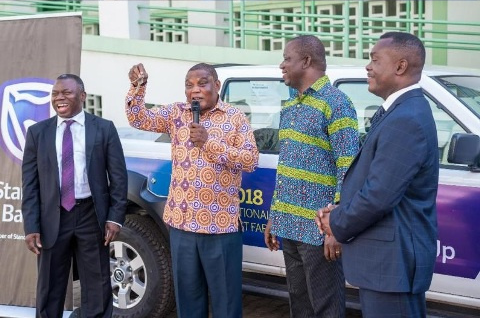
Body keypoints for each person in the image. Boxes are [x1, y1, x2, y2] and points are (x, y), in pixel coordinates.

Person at [316, 32, 439, 318]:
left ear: (400, 67)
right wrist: (341, 209)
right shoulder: (399, 111)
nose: (368, 67)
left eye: (374, 59)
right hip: (386, 265)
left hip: (392, 265)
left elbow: (380, 195)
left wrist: (336, 221)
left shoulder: (406, 118)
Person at [125, 62, 259, 318]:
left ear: (217, 85)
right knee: (188, 301)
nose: (195, 90)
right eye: (189, 85)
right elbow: (138, 118)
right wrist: (137, 86)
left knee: (226, 303)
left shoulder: (235, 118)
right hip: (182, 226)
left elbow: (250, 160)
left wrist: (209, 143)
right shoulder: (177, 114)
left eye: (202, 83)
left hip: (220, 228)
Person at [264, 36, 359, 318]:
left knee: (326, 308)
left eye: (287, 58)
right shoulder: (291, 105)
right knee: (300, 306)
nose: (282, 65)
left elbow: (349, 168)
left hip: (319, 232)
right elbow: (288, 166)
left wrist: (336, 227)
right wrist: (275, 215)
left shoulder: (337, 103)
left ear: (306, 61)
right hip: (289, 225)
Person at [22, 74, 128, 318]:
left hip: (91, 215)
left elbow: (119, 178)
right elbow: (30, 184)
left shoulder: (104, 129)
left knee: (97, 284)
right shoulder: (38, 133)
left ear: (82, 96)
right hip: (52, 218)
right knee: (50, 286)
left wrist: (115, 217)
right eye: (55, 94)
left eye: (66, 93)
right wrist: (31, 225)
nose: (60, 98)